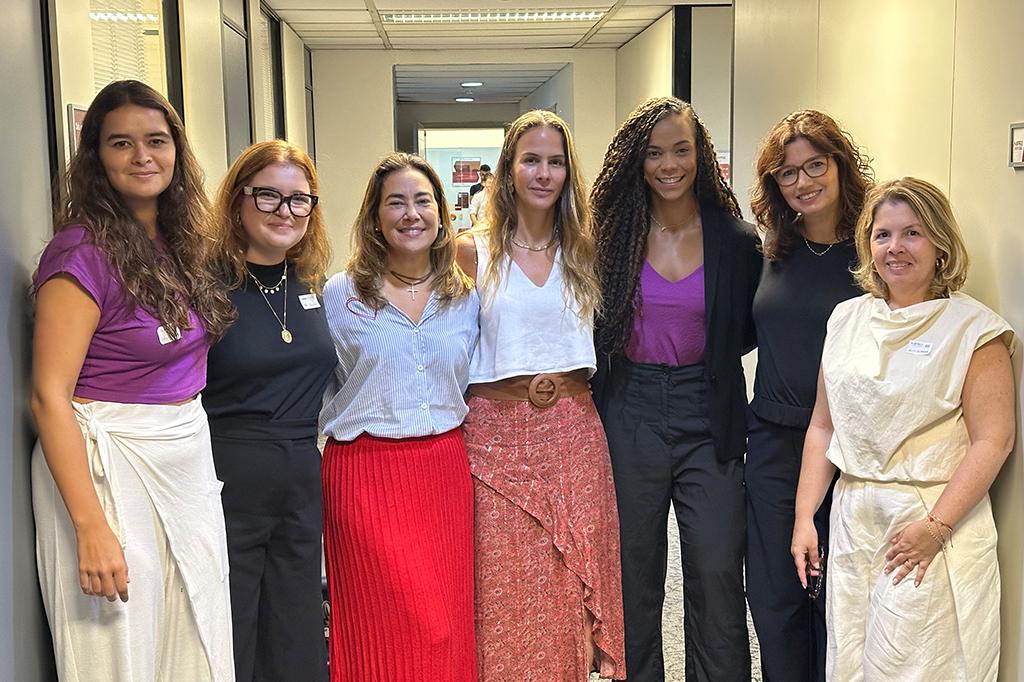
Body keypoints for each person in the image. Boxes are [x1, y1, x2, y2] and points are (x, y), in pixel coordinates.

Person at [30, 79, 236, 680]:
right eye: (121, 143)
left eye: (156, 140)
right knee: (118, 650)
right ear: (96, 156)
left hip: (182, 453)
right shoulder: (79, 254)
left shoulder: (179, 240)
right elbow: (48, 397)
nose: (142, 156)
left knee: (196, 635)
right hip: (108, 463)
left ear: (176, 149)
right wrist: (90, 526)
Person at [791, 177, 1015, 680]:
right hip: (855, 517)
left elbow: (994, 441)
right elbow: (823, 426)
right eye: (883, 234)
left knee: (919, 665)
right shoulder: (846, 319)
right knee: (852, 660)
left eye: (912, 233)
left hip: (930, 518)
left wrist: (935, 528)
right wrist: (805, 516)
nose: (895, 247)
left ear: (940, 244)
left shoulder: (974, 329)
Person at [589, 96, 761, 681]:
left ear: (701, 155)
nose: (669, 165)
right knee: (632, 573)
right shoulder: (610, 238)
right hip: (628, 407)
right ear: (636, 161)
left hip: (707, 410)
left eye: (681, 150)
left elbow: (744, 330)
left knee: (716, 569)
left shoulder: (736, 241)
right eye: (655, 153)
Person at [456, 110, 625, 681]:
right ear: (508, 168)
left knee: (566, 592)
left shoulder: (587, 251)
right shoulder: (471, 252)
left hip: (574, 434)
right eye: (531, 160)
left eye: (555, 162)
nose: (543, 173)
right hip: (493, 437)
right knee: (504, 589)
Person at [320, 152, 479, 681]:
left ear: (441, 214)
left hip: (443, 473)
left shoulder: (464, 296)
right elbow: (319, 382)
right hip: (364, 475)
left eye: (422, 201)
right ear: (374, 217)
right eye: (396, 203)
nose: (411, 214)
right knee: (383, 624)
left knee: (444, 626)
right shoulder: (340, 295)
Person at [745, 110, 874, 681]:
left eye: (815, 165)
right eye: (788, 172)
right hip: (774, 444)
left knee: (840, 600)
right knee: (775, 596)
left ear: (840, 164)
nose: (803, 182)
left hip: (851, 448)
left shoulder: (875, 253)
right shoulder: (773, 250)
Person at [203, 140, 335, 681]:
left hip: (301, 481)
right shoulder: (205, 288)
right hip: (228, 481)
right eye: (268, 196)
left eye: (299, 199)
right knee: (234, 627)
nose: (285, 211)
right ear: (238, 200)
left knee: (296, 628)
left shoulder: (312, 287)